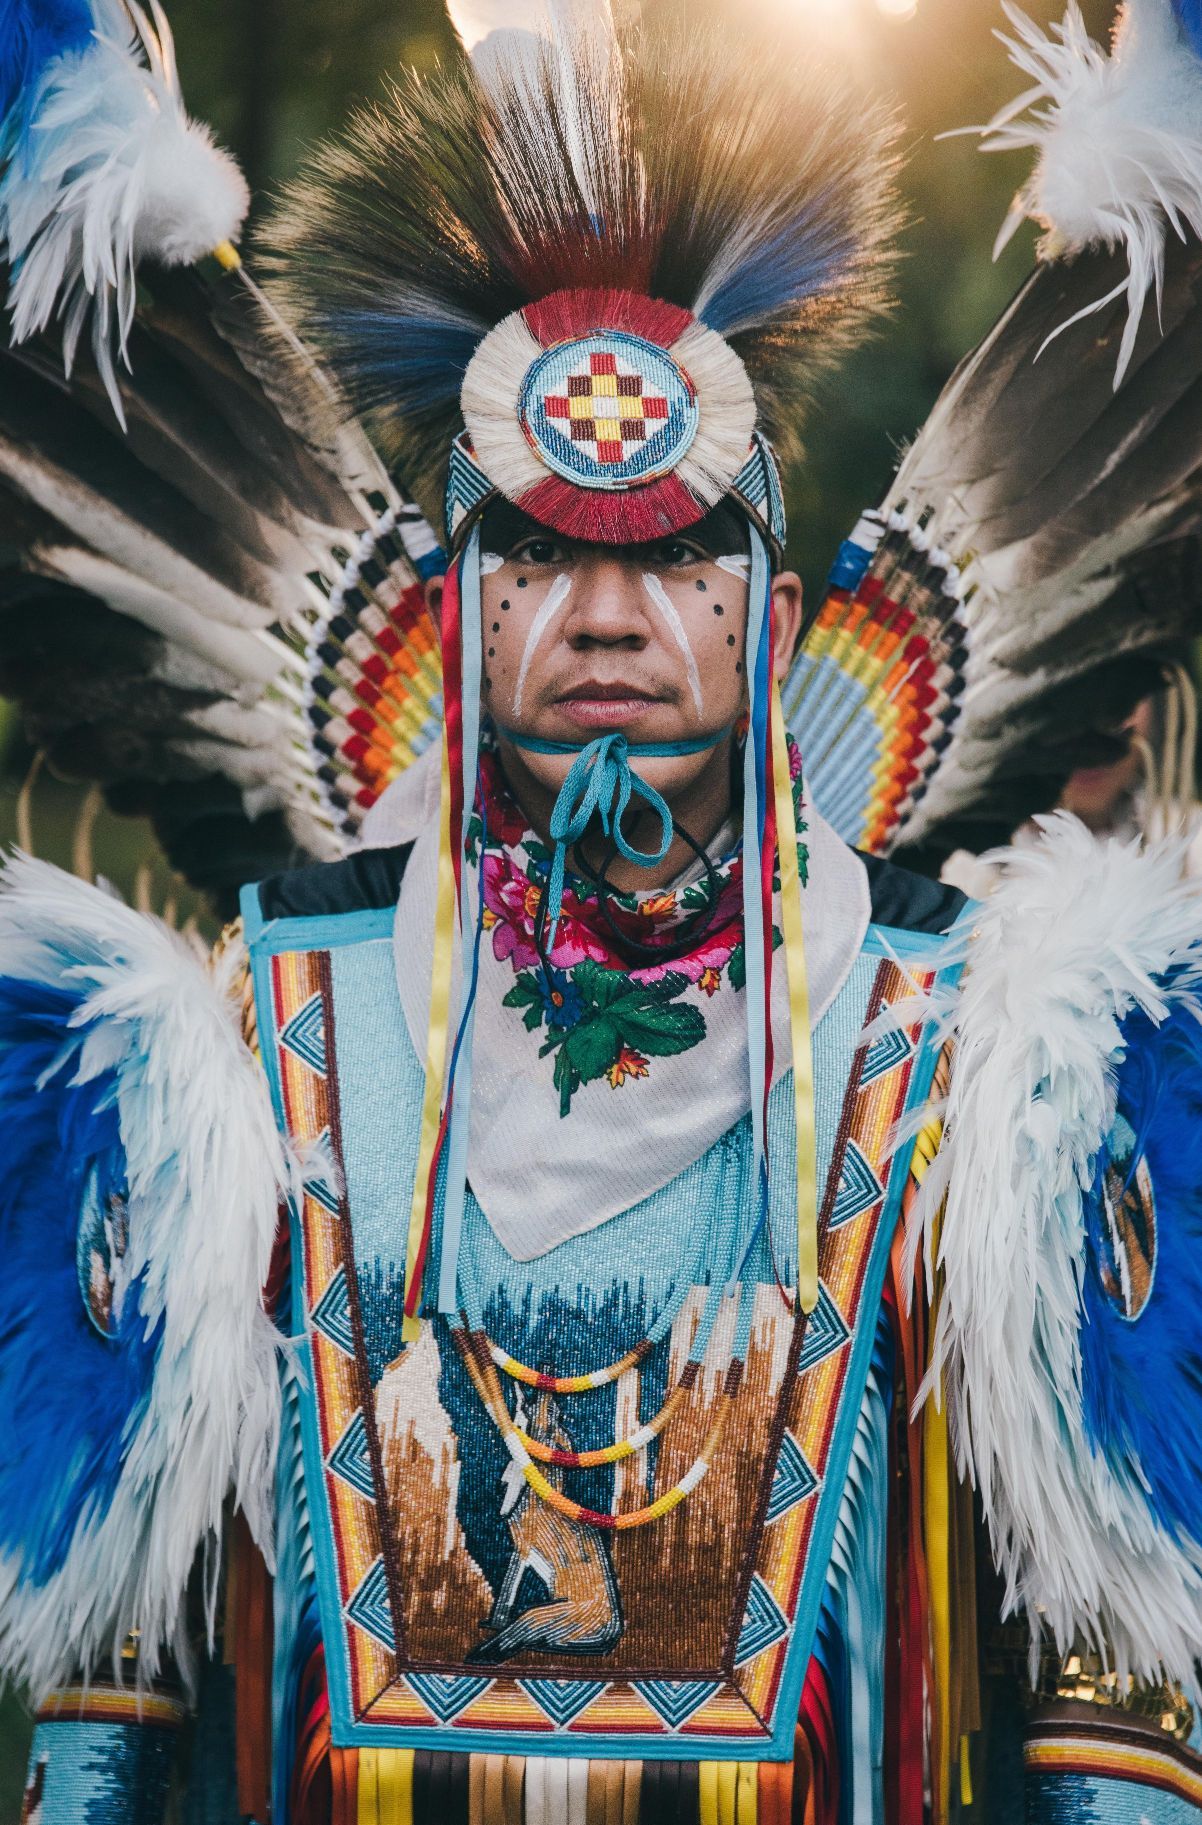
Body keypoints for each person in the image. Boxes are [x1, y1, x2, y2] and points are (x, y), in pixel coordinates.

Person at [6, 2, 1202, 1823]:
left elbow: (1101, 1715)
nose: (608, 615)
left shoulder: (980, 1065)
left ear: (770, 622)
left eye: (671, 557)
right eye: (543, 555)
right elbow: (123, 1709)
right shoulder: (251, 1052)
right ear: (460, 614)